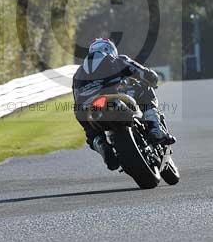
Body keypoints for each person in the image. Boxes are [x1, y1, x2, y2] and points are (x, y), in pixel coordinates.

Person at [72, 38, 176, 169]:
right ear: (109, 49)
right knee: (146, 90)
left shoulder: (78, 73)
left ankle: (102, 147)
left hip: (88, 109)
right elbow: (144, 74)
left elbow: (77, 101)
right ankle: (156, 129)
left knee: (92, 133)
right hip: (113, 98)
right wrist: (152, 79)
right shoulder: (117, 60)